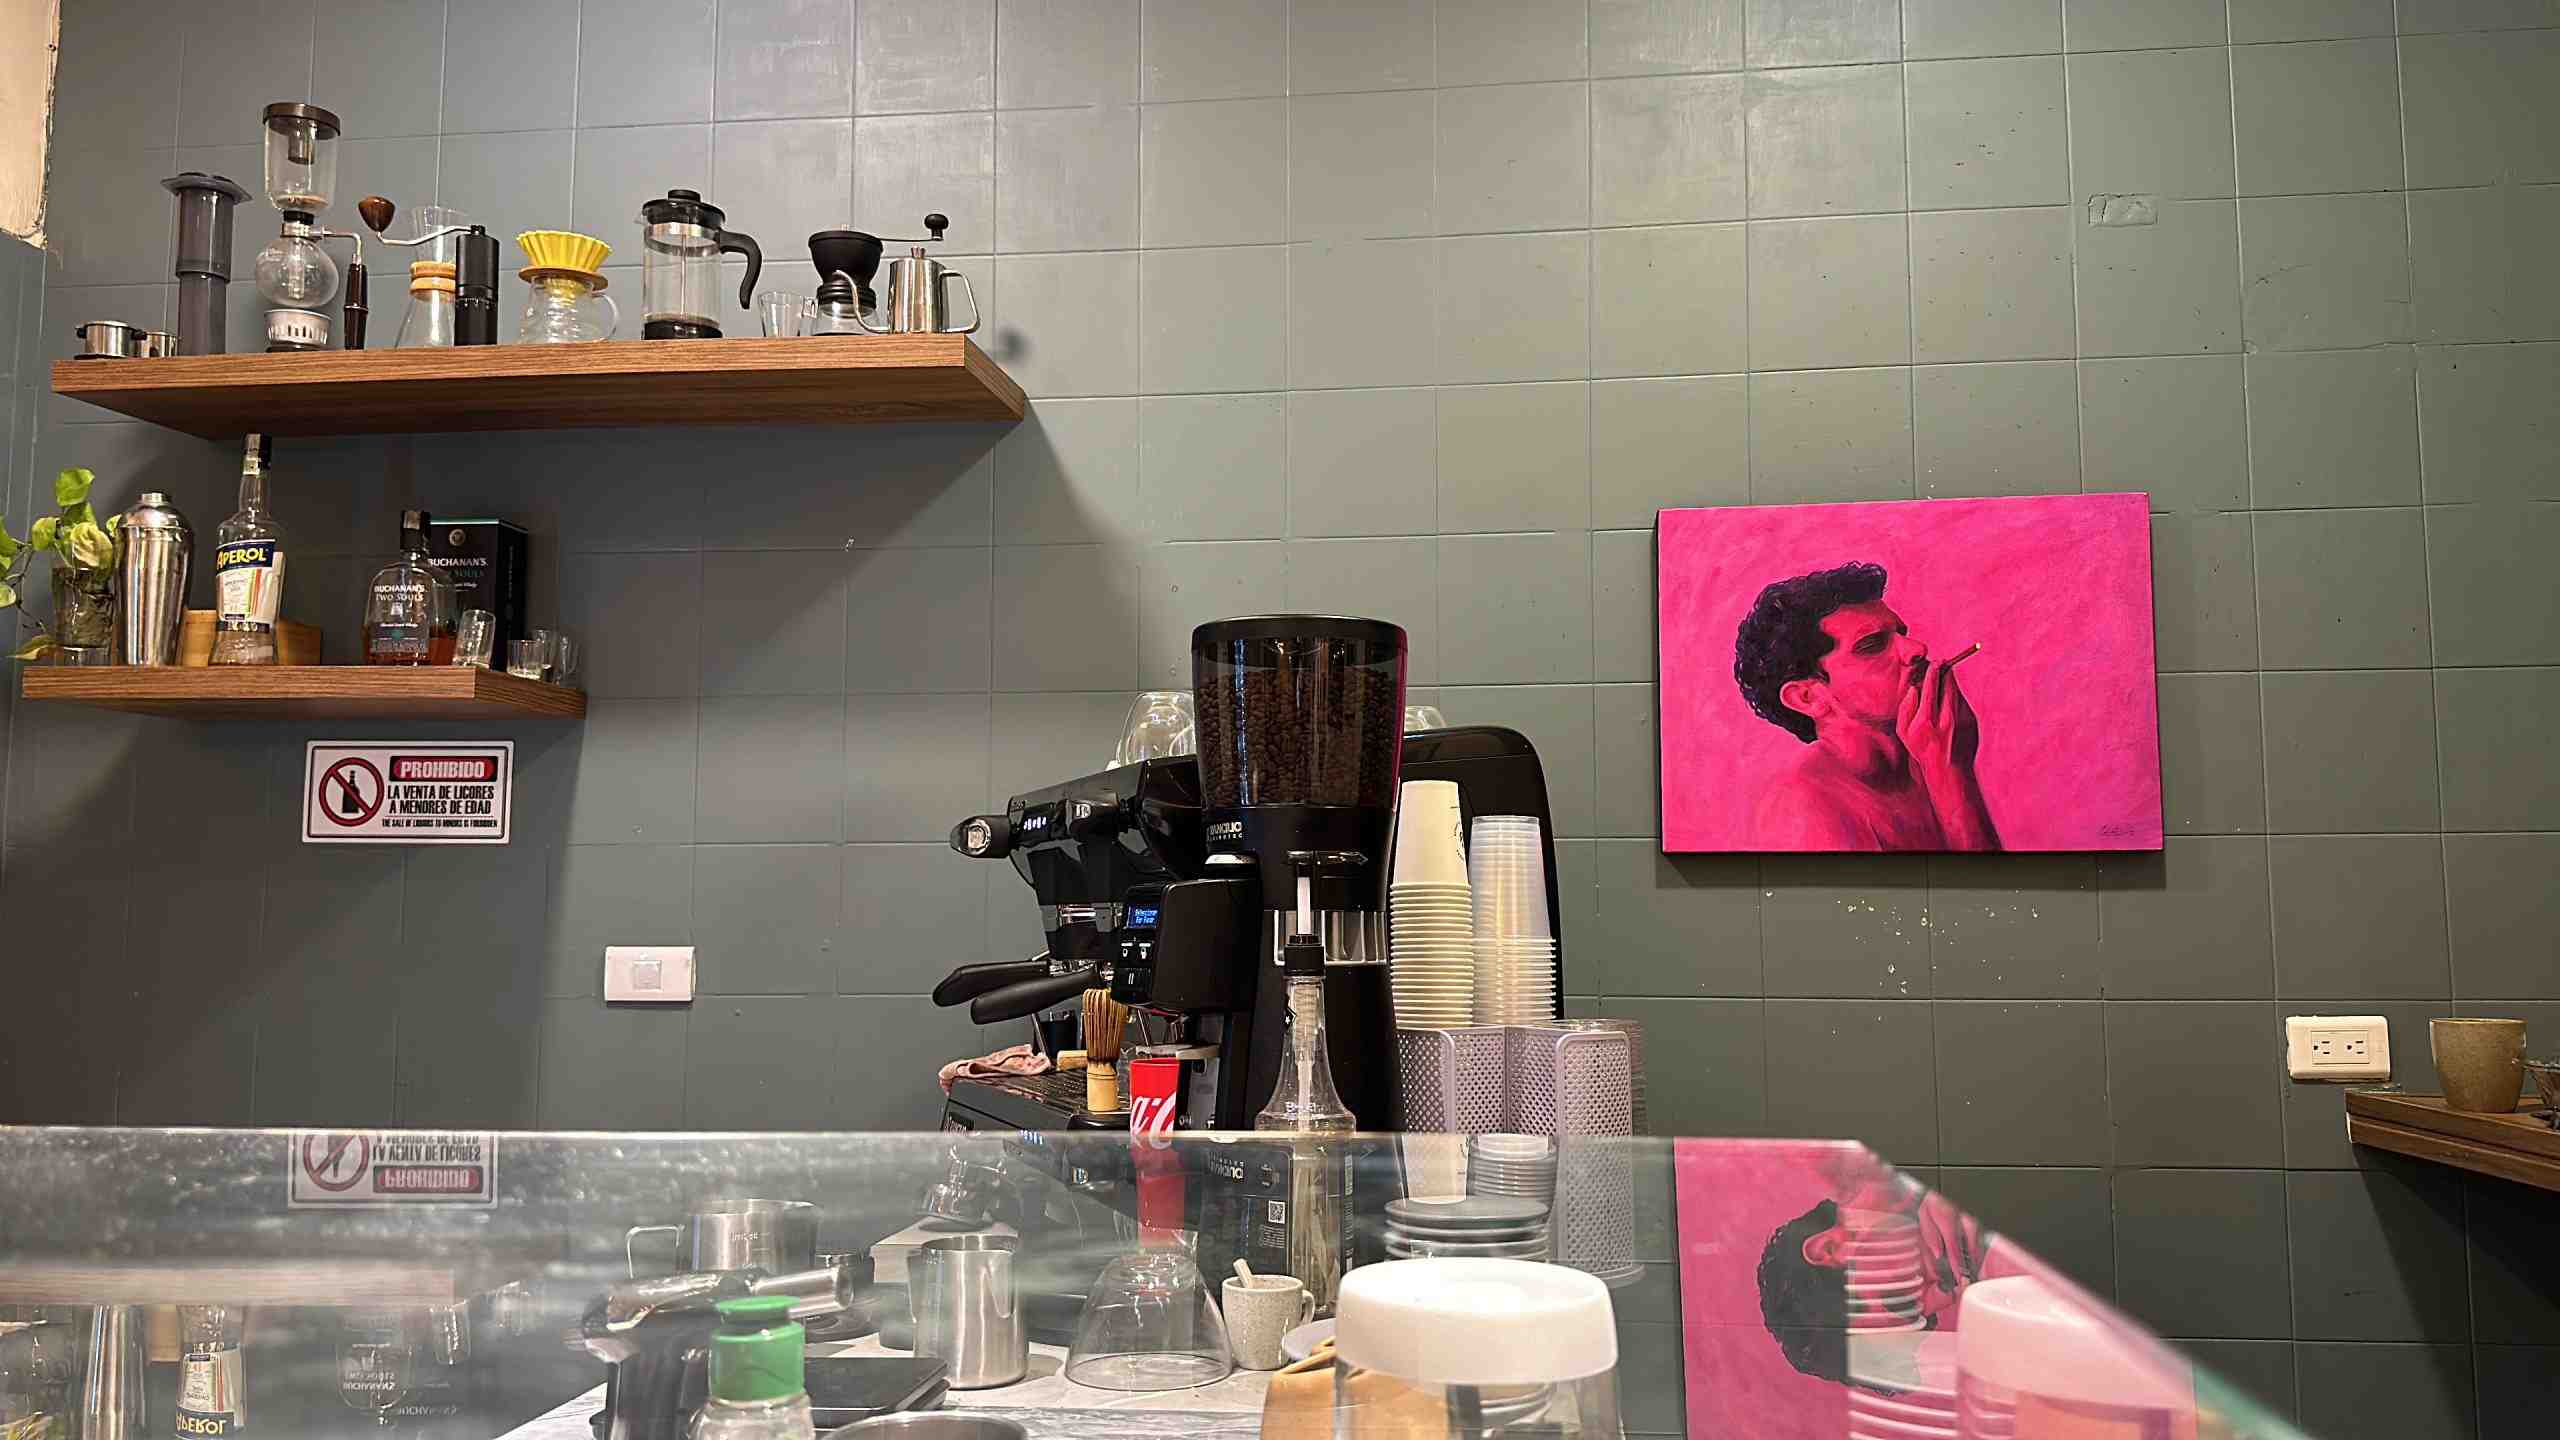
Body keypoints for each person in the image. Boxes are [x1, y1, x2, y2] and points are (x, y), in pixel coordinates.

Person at [1733, 563, 2000, 851]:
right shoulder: (1800, 807)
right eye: (1871, 645)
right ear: (1808, 698)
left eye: (1901, 633)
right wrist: (1951, 776)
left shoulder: (1923, 761)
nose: (1916, 648)